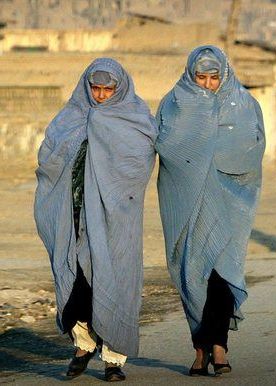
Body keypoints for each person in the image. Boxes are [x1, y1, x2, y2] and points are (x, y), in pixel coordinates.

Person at [34, 58, 157, 382]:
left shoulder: (135, 118)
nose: (101, 95)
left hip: (115, 218)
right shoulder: (70, 116)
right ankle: (83, 345)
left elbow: (140, 162)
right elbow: (49, 156)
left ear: (120, 88)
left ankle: (114, 359)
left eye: (108, 89)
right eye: (96, 88)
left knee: (114, 278)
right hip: (72, 214)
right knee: (76, 280)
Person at [155, 45, 265, 376]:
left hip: (232, 201)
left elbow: (254, 148)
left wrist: (217, 160)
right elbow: (164, 145)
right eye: (200, 77)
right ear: (190, 75)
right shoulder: (174, 104)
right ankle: (201, 349)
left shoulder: (244, 104)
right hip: (187, 202)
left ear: (224, 76)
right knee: (191, 276)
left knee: (222, 274)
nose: (206, 84)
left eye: (213, 78)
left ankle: (218, 349)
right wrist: (194, 160)